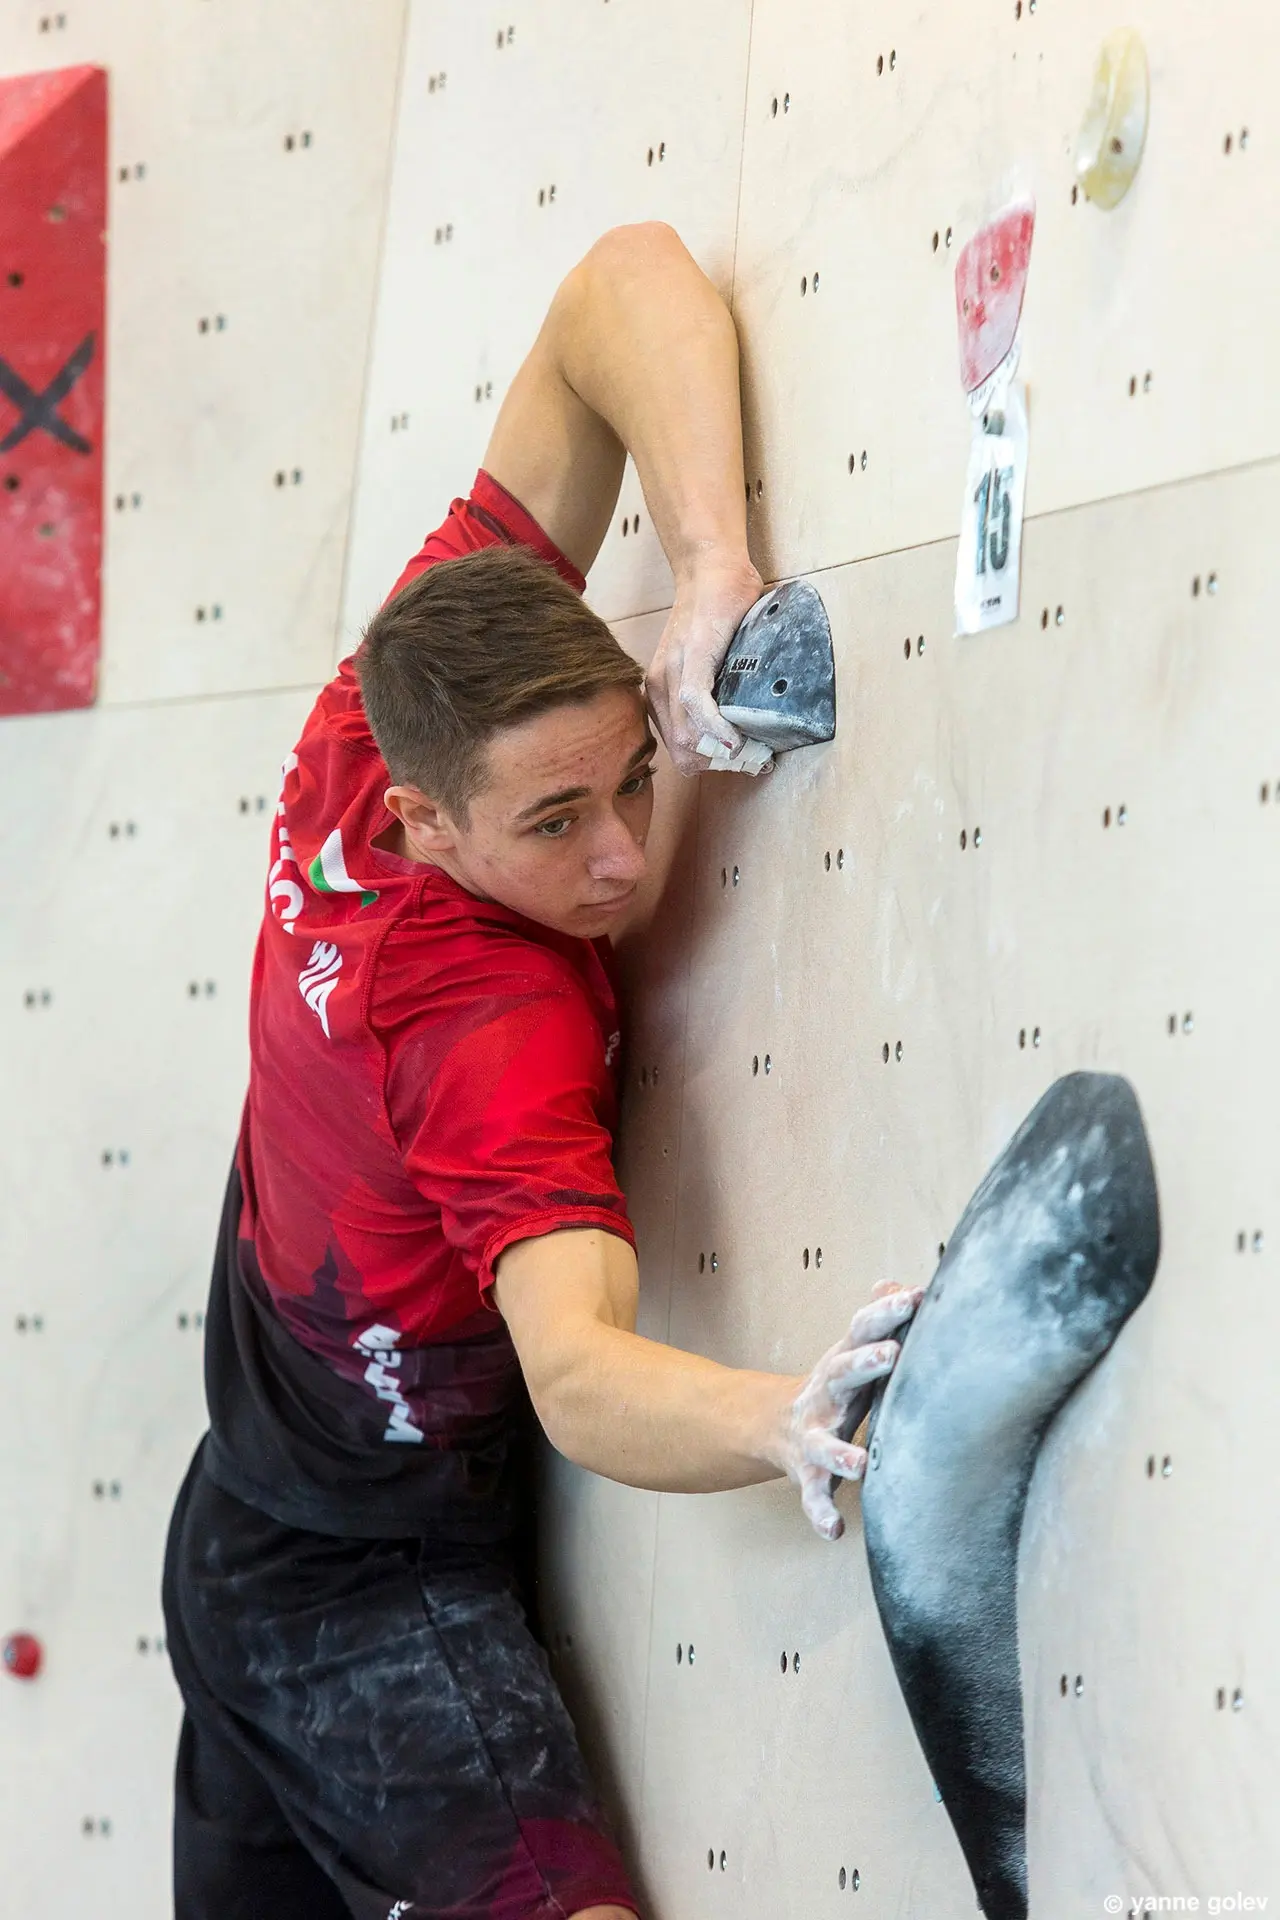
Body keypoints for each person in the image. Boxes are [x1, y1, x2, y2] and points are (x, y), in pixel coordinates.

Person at [161, 221, 923, 1920]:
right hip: (366, 1600)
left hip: (234, 1522)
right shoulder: (490, 1028)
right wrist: (787, 1419)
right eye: (556, 822)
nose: (620, 858)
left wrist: (713, 570)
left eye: (634, 777)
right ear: (430, 824)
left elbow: (619, 282)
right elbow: (576, 1372)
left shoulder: (381, 714)